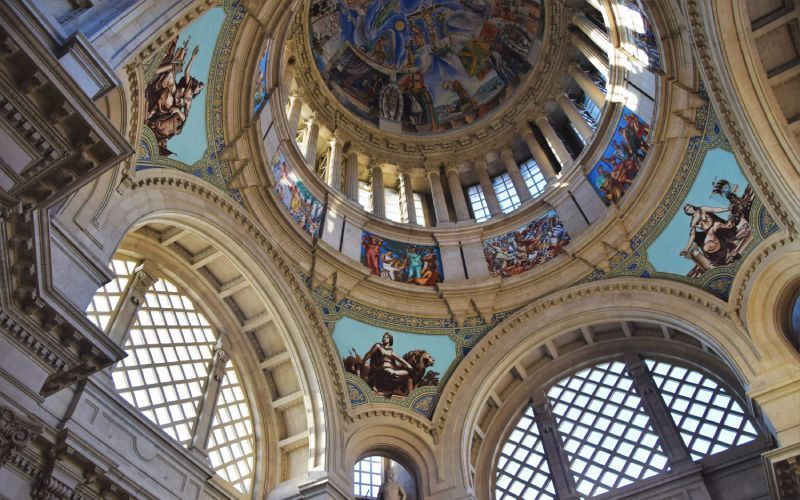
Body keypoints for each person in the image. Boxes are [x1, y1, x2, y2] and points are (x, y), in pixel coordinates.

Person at [145, 38, 205, 156]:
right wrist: (192, 57)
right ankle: (155, 73)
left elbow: (184, 118)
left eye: (198, 88)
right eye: (197, 86)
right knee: (170, 77)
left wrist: (177, 110)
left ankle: (152, 113)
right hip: (172, 92)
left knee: (168, 99)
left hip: (170, 108)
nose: (197, 88)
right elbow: (187, 72)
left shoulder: (189, 101)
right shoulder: (188, 87)